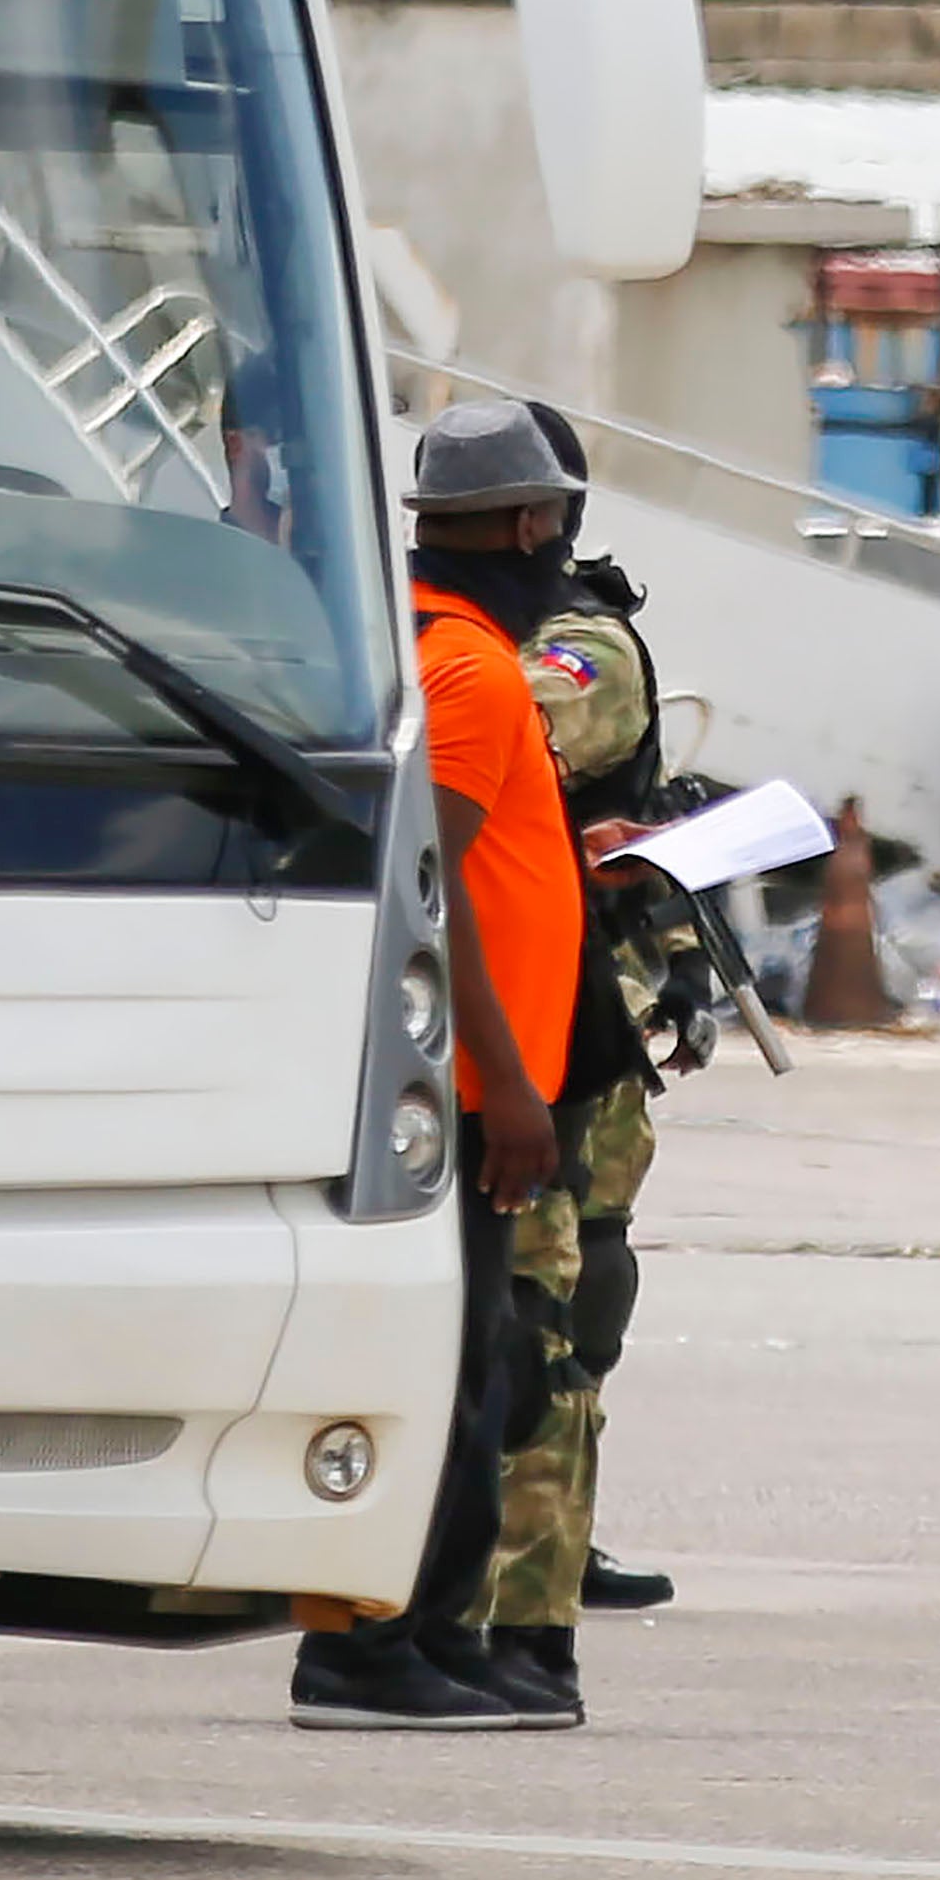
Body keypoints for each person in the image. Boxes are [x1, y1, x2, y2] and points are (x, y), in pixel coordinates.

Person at [292, 399, 587, 1733]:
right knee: (457, 1376)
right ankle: (367, 1650)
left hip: (448, 1080)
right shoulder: (465, 669)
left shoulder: (401, 640)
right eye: (558, 525)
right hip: (468, 1092)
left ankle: (426, 1632)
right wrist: (509, 1080)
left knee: (469, 1370)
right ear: (530, 523)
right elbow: (435, 881)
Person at [478, 406, 699, 1697]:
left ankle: (547, 1555)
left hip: (582, 999)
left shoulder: (576, 637)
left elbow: (517, 742)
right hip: (499, 991)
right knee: (520, 1302)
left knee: (570, 1291)